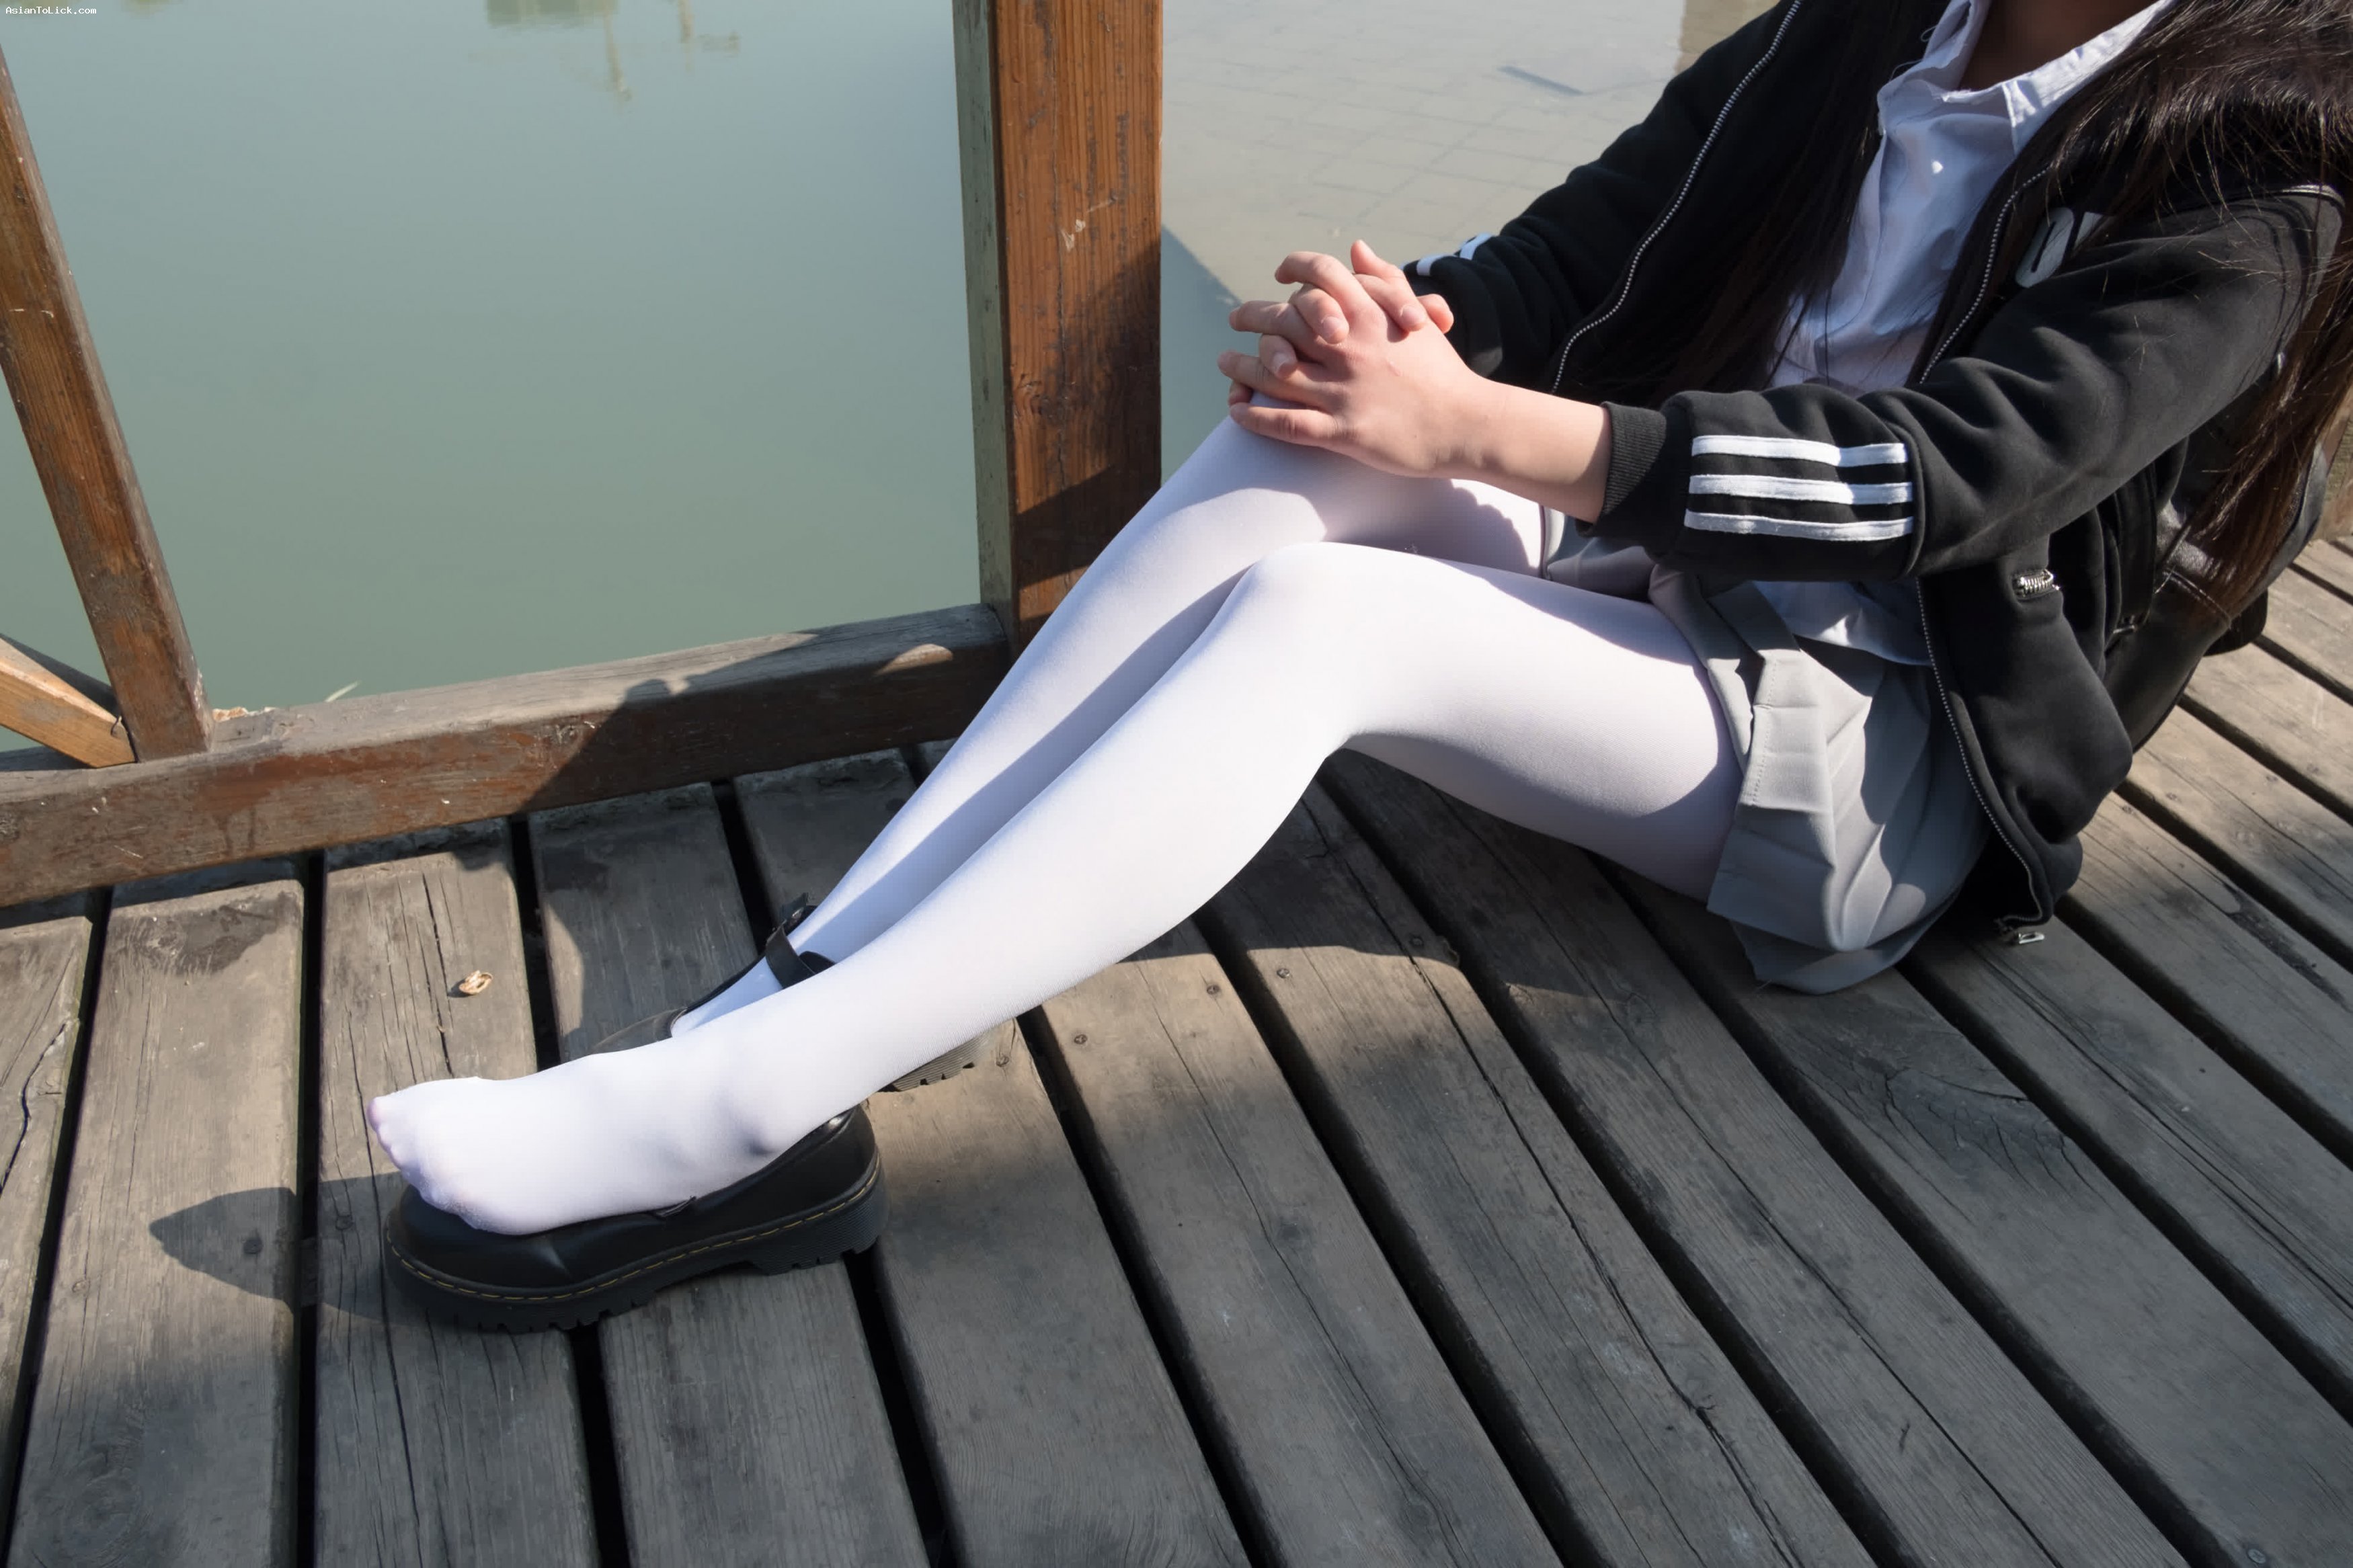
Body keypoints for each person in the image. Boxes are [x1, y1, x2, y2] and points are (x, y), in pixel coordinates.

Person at [371, 0, 2350, 1330]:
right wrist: (1410, 336)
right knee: (1294, 457)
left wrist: (1478, 428)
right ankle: (805, 992)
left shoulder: (2261, 168)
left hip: (1885, 738)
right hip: (1674, 571)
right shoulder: (1871, 24)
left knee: (1328, 619)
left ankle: (740, 1115)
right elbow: (1585, 246)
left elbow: (1944, 480)